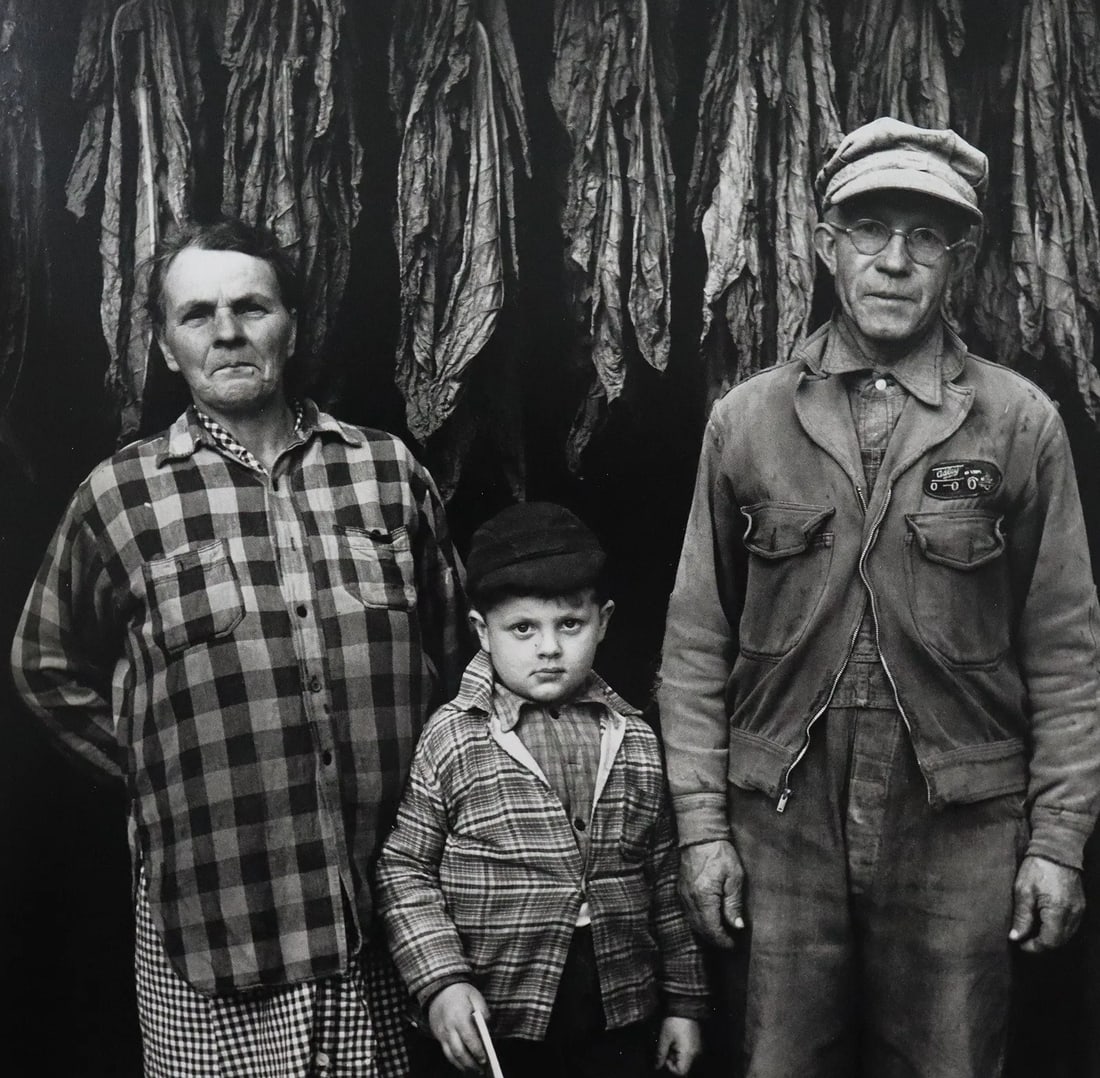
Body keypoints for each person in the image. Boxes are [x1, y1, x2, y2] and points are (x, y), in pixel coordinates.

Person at [657, 116, 1100, 1077]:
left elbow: (1065, 651)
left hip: (962, 817)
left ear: (962, 258)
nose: (894, 261)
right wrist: (701, 829)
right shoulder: (746, 420)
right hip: (778, 820)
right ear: (825, 245)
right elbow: (696, 644)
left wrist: (1057, 842)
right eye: (868, 229)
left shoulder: (1021, 424)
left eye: (926, 235)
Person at [10, 217, 466, 1078]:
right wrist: (154, 773)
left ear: (290, 323)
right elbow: (43, 663)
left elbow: (452, 654)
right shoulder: (121, 496)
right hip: (218, 915)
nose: (227, 331)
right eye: (197, 314)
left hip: (386, 916)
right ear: (163, 341)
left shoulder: (386, 471)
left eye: (250, 306)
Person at [376, 502, 708, 1078]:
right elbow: (403, 869)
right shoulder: (454, 738)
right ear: (483, 632)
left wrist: (683, 1002)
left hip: (615, 1010)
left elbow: (664, 879)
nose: (548, 648)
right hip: (496, 1015)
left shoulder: (633, 738)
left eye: (569, 625)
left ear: (603, 622)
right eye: (523, 628)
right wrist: (442, 983)